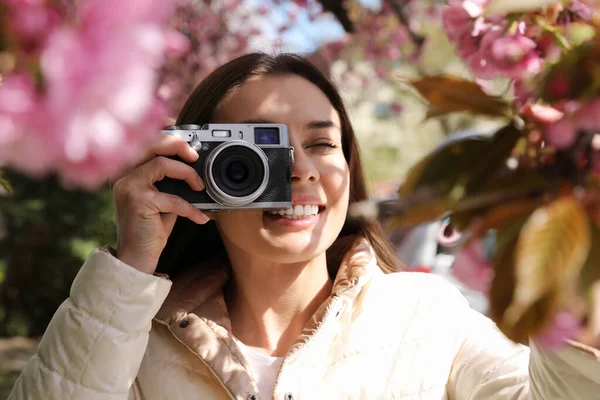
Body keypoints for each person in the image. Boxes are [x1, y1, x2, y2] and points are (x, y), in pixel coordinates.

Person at [8, 53, 600, 400]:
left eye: (322, 142)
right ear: (194, 168)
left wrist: (582, 286)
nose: (299, 171)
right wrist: (128, 268)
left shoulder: (426, 315)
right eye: (255, 153)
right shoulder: (125, 338)